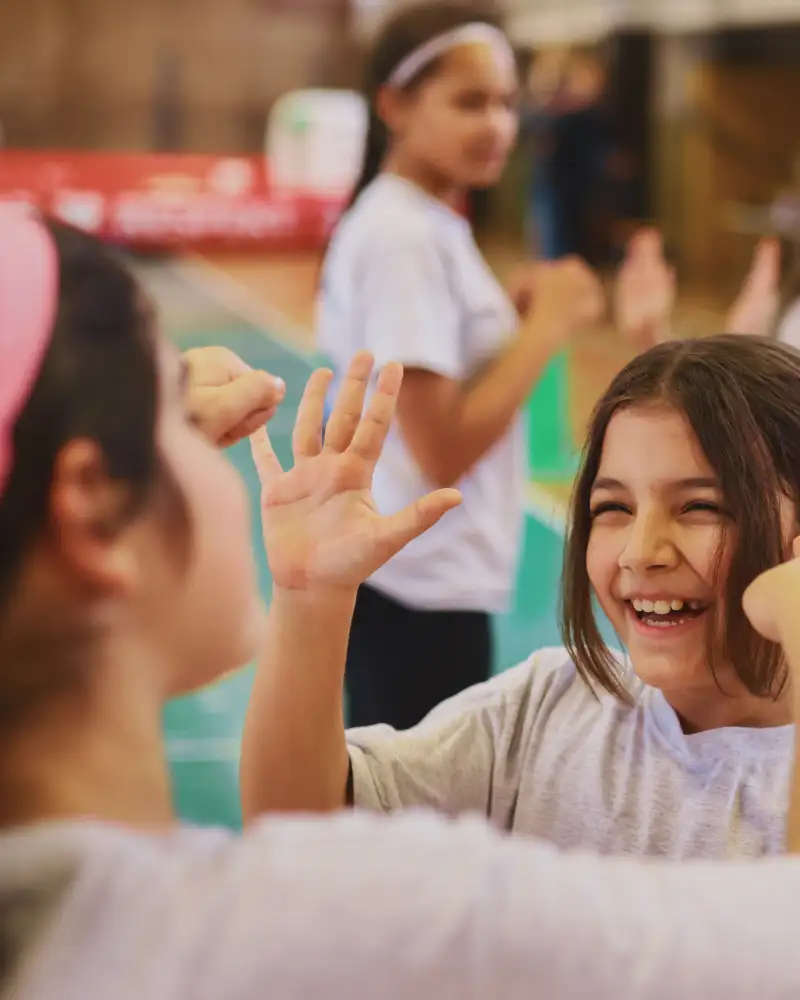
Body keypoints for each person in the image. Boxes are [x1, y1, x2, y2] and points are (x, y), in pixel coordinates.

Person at [9, 209, 800, 1000]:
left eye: (702, 507)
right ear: (91, 507)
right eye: (187, 425)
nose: (641, 550)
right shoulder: (389, 906)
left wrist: (311, 595)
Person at [242, 332, 800, 861]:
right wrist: (309, 599)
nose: (639, 552)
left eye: (701, 507)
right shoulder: (545, 708)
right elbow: (301, 834)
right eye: (613, 508)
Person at [316, 0, 606, 730]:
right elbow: (440, 447)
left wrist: (510, 320)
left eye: (507, 103)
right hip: (417, 585)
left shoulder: (422, 222)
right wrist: (547, 327)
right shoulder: (403, 237)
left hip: (416, 577)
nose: (497, 124)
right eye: (470, 101)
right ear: (394, 105)